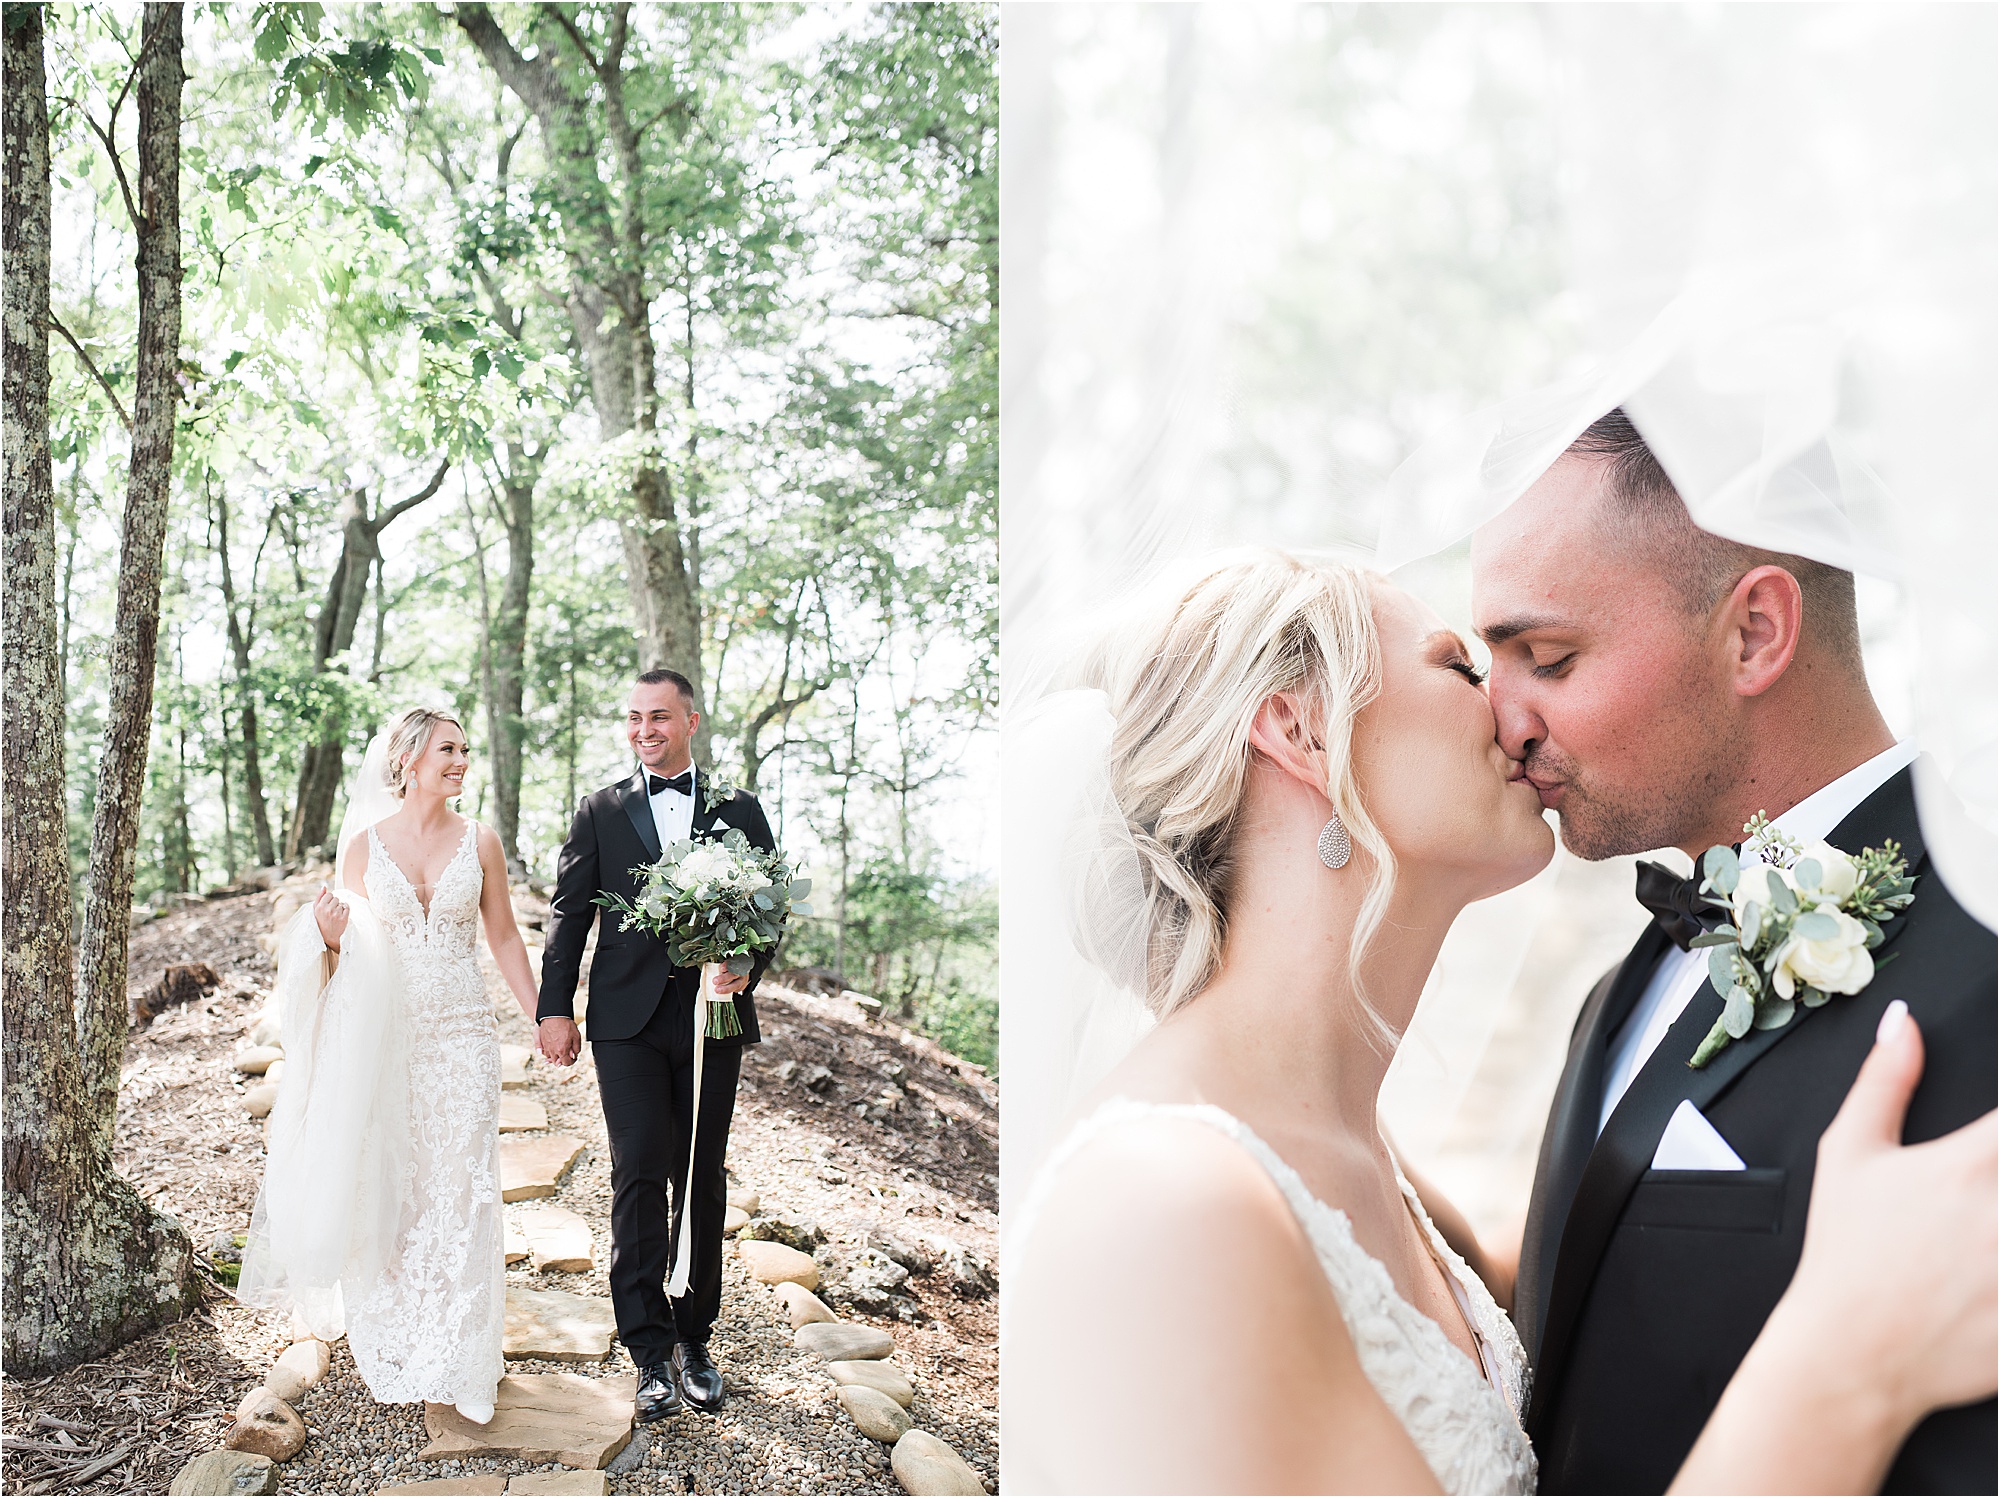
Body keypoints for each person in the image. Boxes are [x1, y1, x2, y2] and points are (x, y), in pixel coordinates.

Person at [1001, 552, 1997, 1494]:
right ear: (1300, 732)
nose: (1514, 713)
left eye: (1545, 659)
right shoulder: (1167, 1206)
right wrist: (1849, 1358)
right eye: (1459, 664)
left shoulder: (1358, 1172)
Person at [1470, 410, 1998, 1493]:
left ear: (1753, 632)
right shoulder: (1626, 984)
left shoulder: (1980, 952)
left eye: (1546, 657)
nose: (1499, 721)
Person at [239, 707, 543, 1424]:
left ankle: (468, 1357)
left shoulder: (483, 842)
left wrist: (543, 1014)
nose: (462, 760)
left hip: (465, 1034)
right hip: (393, 1039)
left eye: (466, 749)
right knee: (402, 1186)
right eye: (448, 749)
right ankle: (403, 1338)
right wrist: (331, 940)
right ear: (408, 759)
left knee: (464, 1186)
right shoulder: (362, 849)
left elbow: (501, 935)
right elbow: (349, 962)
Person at [534, 669, 776, 1423]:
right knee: (639, 1169)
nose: (645, 729)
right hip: (626, 1022)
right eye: (634, 717)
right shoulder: (600, 810)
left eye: (660, 717)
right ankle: (646, 1351)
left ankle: (695, 1337)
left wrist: (746, 964)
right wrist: (554, 1008)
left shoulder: (741, 808)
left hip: (714, 1019)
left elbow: (768, 911)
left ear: (692, 722)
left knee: (700, 1173)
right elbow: (570, 914)